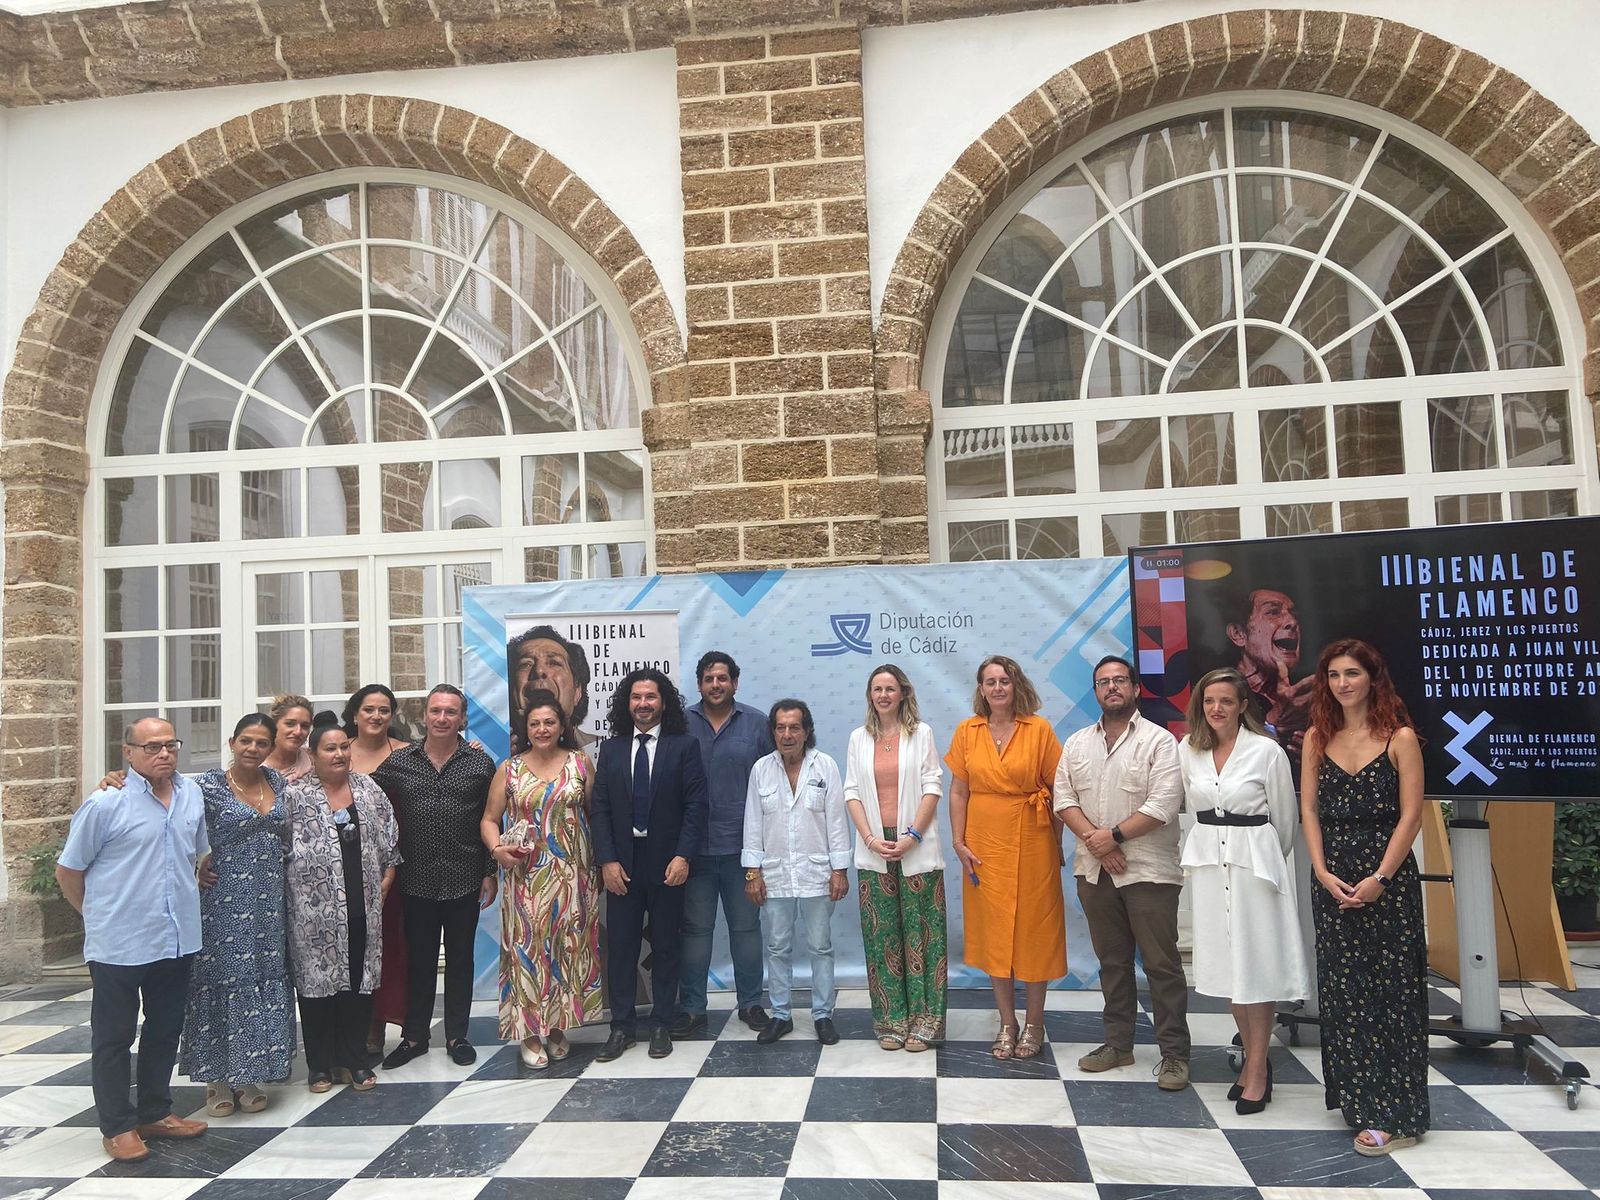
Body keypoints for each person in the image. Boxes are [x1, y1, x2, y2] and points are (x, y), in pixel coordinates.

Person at [56, 717, 211, 1163]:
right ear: (128, 752)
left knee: (164, 1031)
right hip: (120, 945)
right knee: (114, 1037)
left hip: (176, 938)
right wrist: (98, 917)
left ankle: (155, 1112)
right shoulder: (107, 802)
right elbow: (68, 870)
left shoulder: (190, 794)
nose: (163, 753)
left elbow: (196, 854)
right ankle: (118, 1126)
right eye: (151, 747)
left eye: (170, 744)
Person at [1300, 638, 1428, 1156]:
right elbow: (1308, 811)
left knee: (1391, 996)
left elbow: (1411, 815)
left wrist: (1380, 877)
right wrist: (1322, 871)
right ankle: (1360, 1100)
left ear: (1373, 678)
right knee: (1344, 993)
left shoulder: (1400, 738)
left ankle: (1397, 1113)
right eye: (1333, 675)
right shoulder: (1315, 737)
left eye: (1352, 673)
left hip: (1387, 884)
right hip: (1333, 884)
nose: (1342, 683)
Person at [1053, 655, 1190, 1091]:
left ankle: (1174, 1055)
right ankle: (1119, 1043)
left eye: (1119, 680)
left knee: (1162, 965)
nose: (1111, 687)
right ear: (1095, 691)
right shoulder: (1076, 743)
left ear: (1135, 688)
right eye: (1103, 682)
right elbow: (1063, 799)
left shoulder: (1161, 742)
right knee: (1112, 963)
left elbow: (1163, 805)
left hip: (1149, 871)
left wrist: (1111, 837)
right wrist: (1099, 842)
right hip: (1095, 873)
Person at [1178, 668, 1308, 1115]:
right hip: (1211, 867)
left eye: (1226, 702)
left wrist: (1258, 854)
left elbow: (1285, 823)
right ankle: (1254, 1061)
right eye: (1209, 701)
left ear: (1242, 706)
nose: (1217, 709)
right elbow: (1188, 807)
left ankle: (1256, 1069)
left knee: (1257, 964)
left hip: (1254, 865)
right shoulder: (1188, 750)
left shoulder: (1267, 751)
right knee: (1231, 970)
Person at [947, 655, 1065, 1060]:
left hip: (1034, 840)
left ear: (1017, 686)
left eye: (1004, 681)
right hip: (983, 844)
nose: (998, 688)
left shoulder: (1039, 729)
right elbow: (959, 791)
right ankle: (1006, 1022)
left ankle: (1034, 1023)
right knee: (995, 931)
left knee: (1035, 933)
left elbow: (1060, 792)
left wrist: (1058, 844)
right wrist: (959, 843)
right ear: (981, 689)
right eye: (990, 682)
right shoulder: (968, 731)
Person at [374, 684, 498, 1069]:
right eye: (435, 711)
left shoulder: (481, 763)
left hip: (465, 876)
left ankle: (458, 1035)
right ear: (424, 716)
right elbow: (364, 797)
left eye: (451, 712)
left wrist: (490, 871)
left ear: (462, 719)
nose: (442, 719)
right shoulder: (398, 762)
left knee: (461, 960)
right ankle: (414, 1037)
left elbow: (491, 819)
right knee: (420, 961)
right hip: (416, 879)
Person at [589, 668, 709, 1061]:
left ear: (663, 702)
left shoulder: (684, 746)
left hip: (668, 864)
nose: (643, 704)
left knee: (667, 945)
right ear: (627, 703)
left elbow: (696, 807)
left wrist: (683, 856)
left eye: (651, 697)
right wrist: (606, 860)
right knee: (621, 947)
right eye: (637, 697)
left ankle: (661, 1022)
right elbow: (600, 810)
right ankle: (621, 1026)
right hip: (621, 866)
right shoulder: (611, 749)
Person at [180, 714, 296, 1117]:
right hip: (223, 903)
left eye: (262, 743)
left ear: (270, 748)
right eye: (246, 740)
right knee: (223, 979)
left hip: (268, 903)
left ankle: (250, 1075)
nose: (253, 748)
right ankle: (217, 1078)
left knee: (262, 978)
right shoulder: (206, 786)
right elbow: (176, 824)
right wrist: (196, 864)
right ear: (232, 742)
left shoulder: (278, 783)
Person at [483, 688, 603, 1068]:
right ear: (526, 728)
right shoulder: (511, 769)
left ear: (563, 725)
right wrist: (496, 850)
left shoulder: (581, 763)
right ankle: (530, 1030)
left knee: (567, 950)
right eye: (534, 723)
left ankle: (556, 1026)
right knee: (529, 953)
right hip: (526, 878)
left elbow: (595, 816)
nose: (542, 728)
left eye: (549, 721)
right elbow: (488, 820)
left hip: (573, 877)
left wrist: (601, 867)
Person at [285, 714, 400, 1092]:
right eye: (329, 748)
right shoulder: (295, 796)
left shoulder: (368, 789)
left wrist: (387, 877)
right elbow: (276, 846)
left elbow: (390, 841)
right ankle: (320, 1064)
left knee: (357, 981)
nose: (338, 754)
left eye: (343, 747)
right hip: (312, 912)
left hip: (362, 904)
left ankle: (354, 1060)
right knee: (316, 985)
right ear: (313, 755)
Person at [842, 664, 947, 1052]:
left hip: (915, 847)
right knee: (882, 937)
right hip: (874, 849)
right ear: (870, 696)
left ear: (902, 693)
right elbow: (851, 791)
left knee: (922, 937)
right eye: (876, 689)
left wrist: (912, 835)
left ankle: (926, 1021)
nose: (883, 695)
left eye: (890, 688)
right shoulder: (858, 738)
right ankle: (891, 1020)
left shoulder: (921, 734)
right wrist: (870, 838)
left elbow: (933, 786)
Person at [741, 699, 850, 1045]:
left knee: (820, 946)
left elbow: (836, 821)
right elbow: (752, 824)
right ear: (773, 731)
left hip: (817, 872)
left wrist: (839, 870)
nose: (787, 735)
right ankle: (781, 1014)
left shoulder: (826, 766)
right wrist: (752, 873)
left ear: (806, 731)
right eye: (781, 728)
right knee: (777, 947)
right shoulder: (761, 769)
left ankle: (823, 1015)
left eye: (794, 728)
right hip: (774, 874)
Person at [679, 651, 775, 1038]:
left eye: (723, 678)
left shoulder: (757, 724)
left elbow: (773, 782)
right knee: (696, 932)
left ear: (735, 682)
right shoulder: (681, 723)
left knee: (746, 930)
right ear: (699, 683)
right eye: (708, 679)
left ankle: (751, 1004)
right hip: (694, 850)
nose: (715, 685)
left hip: (743, 849)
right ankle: (691, 1009)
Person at [343, 683, 412, 1058]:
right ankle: (349, 1022)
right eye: (368, 709)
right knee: (350, 943)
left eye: (384, 710)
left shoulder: (407, 754)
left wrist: (475, 748)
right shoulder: (337, 752)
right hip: (342, 865)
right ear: (355, 714)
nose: (376, 716)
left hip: (394, 865)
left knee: (388, 945)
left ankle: (377, 1023)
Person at [1226, 586, 1314, 760]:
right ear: (1238, 634)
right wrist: (1272, 723)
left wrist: (1318, 752)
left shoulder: (1308, 694)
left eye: (1294, 614)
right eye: (1273, 612)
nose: (1292, 622)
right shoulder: (1220, 692)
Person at [508, 625, 595, 753]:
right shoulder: (497, 755)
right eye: (526, 664)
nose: (539, 671)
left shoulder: (600, 750)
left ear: (577, 691)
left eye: (554, 663)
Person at [264, 694, 314, 782]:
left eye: (305, 726)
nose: (298, 731)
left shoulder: (313, 761)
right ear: (274, 724)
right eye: (290, 724)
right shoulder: (255, 764)